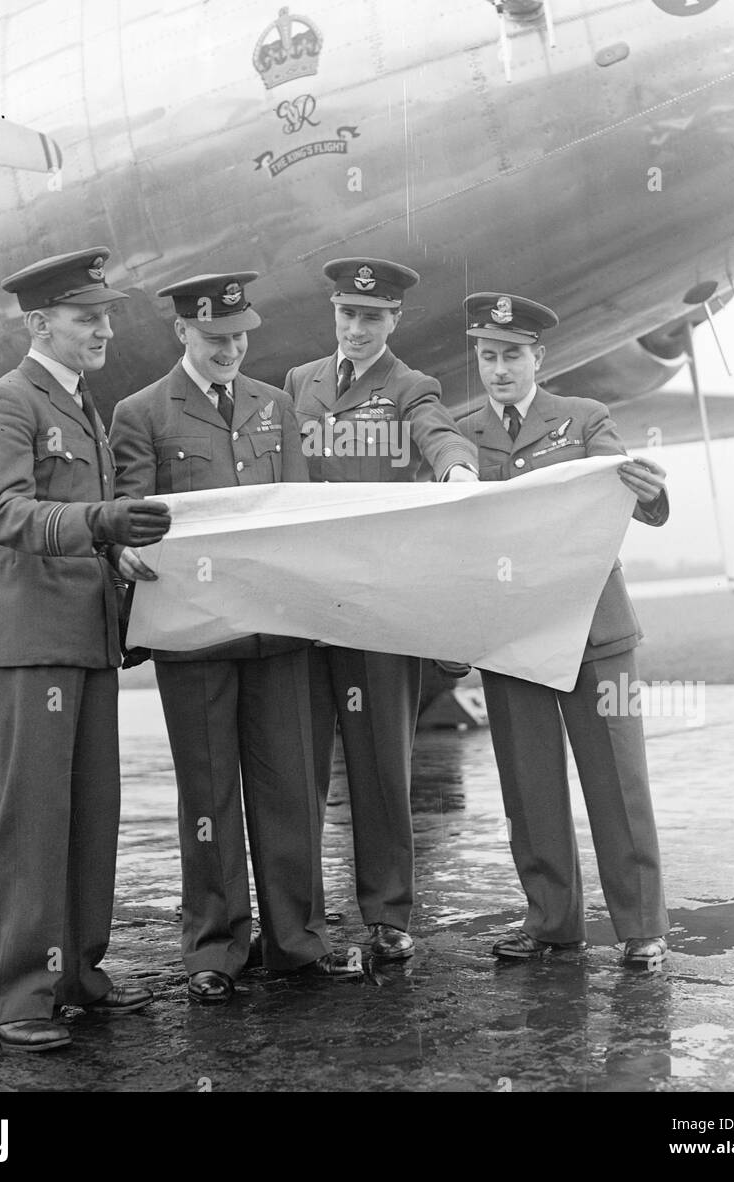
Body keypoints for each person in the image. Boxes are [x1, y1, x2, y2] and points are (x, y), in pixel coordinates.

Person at [109, 272, 361, 1004]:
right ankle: (213, 948)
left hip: (275, 632)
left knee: (290, 790)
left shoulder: (273, 406)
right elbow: (130, 511)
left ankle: (296, 942)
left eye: (240, 336)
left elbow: (293, 506)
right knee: (208, 797)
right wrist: (123, 552)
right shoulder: (142, 413)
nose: (230, 348)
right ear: (182, 332)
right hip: (194, 637)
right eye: (216, 337)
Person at [0, 248, 171, 1052]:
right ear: (41, 323)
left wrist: (118, 552)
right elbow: (7, 515)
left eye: (106, 316)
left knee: (89, 816)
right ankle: (13, 997)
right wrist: (101, 526)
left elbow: (89, 521)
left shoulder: (83, 407)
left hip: (85, 637)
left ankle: (77, 976)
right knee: (30, 821)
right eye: (88, 318)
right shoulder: (3, 402)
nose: (104, 330)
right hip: (27, 640)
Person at [458, 292, 670, 967]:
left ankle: (641, 929)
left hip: (596, 635)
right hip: (513, 638)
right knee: (529, 786)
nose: (498, 369)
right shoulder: (462, 435)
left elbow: (629, 494)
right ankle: (552, 924)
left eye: (511, 356)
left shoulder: (583, 419)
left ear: (537, 358)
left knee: (618, 782)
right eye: (488, 356)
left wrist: (651, 490)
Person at [284, 258, 478, 961]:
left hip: (375, 607)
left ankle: (387, 916)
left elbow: (438, 432)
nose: (357, 328)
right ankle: (294, 921)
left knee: (378, 768)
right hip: (305, 606)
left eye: (371, 316)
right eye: (346, 314)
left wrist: (456, 467)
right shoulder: (299, 383)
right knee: (296, 767)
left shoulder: (408, 387)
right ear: (333, 315)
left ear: (393, 320)